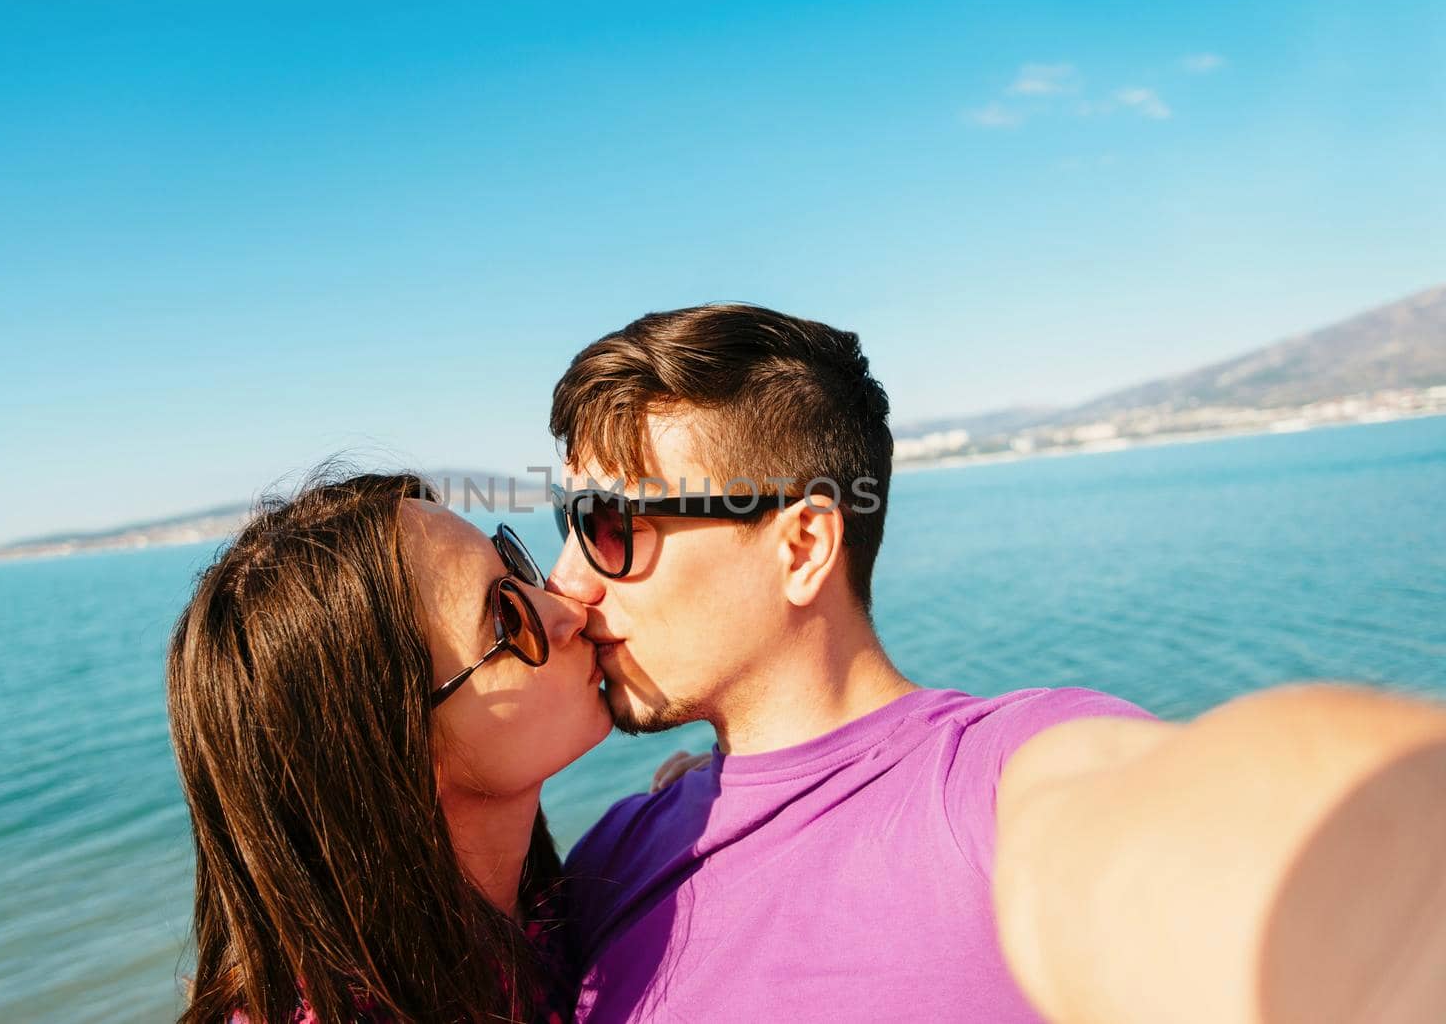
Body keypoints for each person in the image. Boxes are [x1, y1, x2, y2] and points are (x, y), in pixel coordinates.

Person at [546, 303, 1446, 1023]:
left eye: (613, 527)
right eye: (567, 523)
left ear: (803, 546)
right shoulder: (614, 849)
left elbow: (1189, 829)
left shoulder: (995, 780)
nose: (566, 582)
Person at [166, 472, 612, 1023]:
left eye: (516, 570)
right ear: (396, 753)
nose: (568, 610)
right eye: (504, 617)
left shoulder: (542, 915)